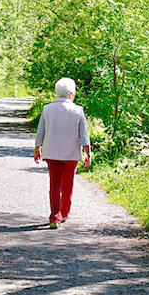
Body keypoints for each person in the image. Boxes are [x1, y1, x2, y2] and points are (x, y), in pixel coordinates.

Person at [34, 77, 91, 229]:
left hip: (52, 153)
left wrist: (37, 148)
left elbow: (41, 131)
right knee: (68, 184)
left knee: (54, 185)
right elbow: (84, 136)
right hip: (71, 154)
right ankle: (65, 212)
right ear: (71, 93)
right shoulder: (78, 110)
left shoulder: (47, 109)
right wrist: (88, 154)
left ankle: (55, 217)